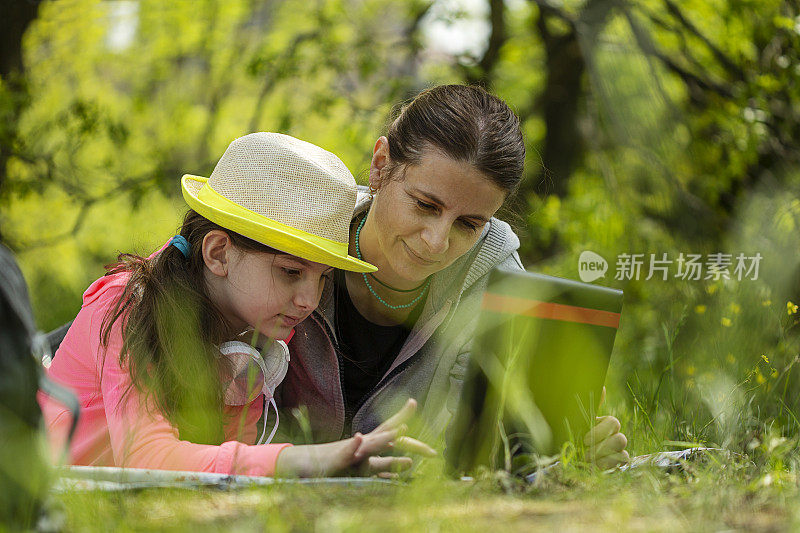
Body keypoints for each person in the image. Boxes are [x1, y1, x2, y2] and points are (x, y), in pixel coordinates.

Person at [37, 132, 434, 478]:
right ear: (218, 253)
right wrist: (305, 460)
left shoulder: (253, 338)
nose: (310, 301)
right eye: (291, 272)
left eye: (323, 279)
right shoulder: (128, 306)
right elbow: (146, 457)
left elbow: (219, 470)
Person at [277, 85, 630, 469]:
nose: (436, 242)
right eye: (425, 205)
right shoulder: (298, 233)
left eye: (468, 224)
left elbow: (485, 458)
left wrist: (566, 459)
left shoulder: (495, 280)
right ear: (380, 165)